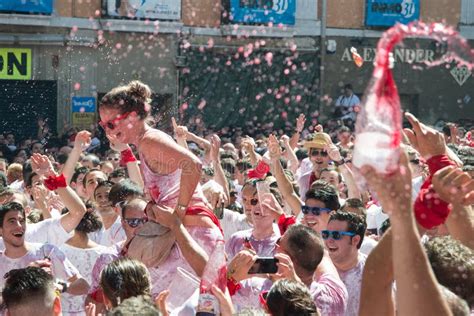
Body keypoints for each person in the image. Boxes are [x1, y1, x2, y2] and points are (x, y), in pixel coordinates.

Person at [98, 81, 223, 256]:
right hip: (186, 234)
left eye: (111, 124)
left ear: (132, 117)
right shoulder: (144, 143)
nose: (107, 132)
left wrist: (178, 212)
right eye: (103, 126)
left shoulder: (150, 141)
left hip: (196, 234)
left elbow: (193, 164)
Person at [229, 224, 347, 314]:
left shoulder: (260, 291)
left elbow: (217, 296)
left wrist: (231, 276)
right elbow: (320, 254)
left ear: (286, 259)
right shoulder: (335, 293)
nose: (275, 247)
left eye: (278, 243)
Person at [0, 201, 89, 296]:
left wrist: (61, 287)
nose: (19, 226)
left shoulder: (46, 252)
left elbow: (83, 285)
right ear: (0, 230)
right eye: (12, 221)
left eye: (21, 221)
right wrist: (28, 274)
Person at [323, 211, 367, 316]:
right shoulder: (316, 268)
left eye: (336, 235)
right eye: (326, 234)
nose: (329, 240)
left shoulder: (373, 273)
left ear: (355, 240)